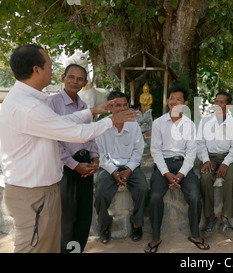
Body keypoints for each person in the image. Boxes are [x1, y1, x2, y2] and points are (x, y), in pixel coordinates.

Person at [0, 44, 138, 253]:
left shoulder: (30, 101)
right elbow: (75, 132)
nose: (52, 70)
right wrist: (111, 120)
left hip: (39, 189)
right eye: (49, 65)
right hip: (35, 192)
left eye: (80, 78)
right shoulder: (31, 107)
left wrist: (91, 111)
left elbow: (64, 122)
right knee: (37, 247)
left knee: (53, 240)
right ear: (37, 69)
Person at [146, 85, 209, 253]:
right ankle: (155, 237)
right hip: (163, 165)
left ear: (185, 103)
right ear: (168, 101)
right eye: (172, 98)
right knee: (154, 197)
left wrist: (180, 174)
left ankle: (195, 235)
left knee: (195, 196)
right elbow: (156, 151)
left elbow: (191, 153)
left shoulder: (189, 125)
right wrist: (166, 174)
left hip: (184, 166)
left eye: (178, 99)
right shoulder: (158, 123)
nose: (174, 102)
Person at [47, 63, 100, 253]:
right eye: (71, 77)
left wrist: (95, 159)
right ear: (63, 77)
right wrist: (74, 164)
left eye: (80, 79)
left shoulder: (84, 106)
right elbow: (52, 139)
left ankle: (77, 251)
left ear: (85, 82)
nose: (75, 82)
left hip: (86, 167)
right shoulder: (52, 103)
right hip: (66, 169)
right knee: (67, 219)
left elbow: (90, 135)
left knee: (84, 216)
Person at [94, 91, 149, 244]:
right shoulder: (102, 127)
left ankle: (137, 222)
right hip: (108, 167)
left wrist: (130, 169)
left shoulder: (134, 126)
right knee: (101, 194)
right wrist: (113, 172)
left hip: (130, 166)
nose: (123, 108)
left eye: (125, 105)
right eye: (118, 105)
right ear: (110, 107)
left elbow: (138, 151)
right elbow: (101, 156)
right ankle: (105, 224)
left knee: (143, 188)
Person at [197, 91, 233, 233]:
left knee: (230, 179)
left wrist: (226, 163)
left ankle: (225, 217)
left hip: (227, 157)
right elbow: (200, 144)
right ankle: (210, 217)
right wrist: (205, 160)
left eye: (221, 102)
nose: (217, 105)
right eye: (216, 101)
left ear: (228, 106)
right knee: (205, 177)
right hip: (209, 157)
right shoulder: (205, 121)